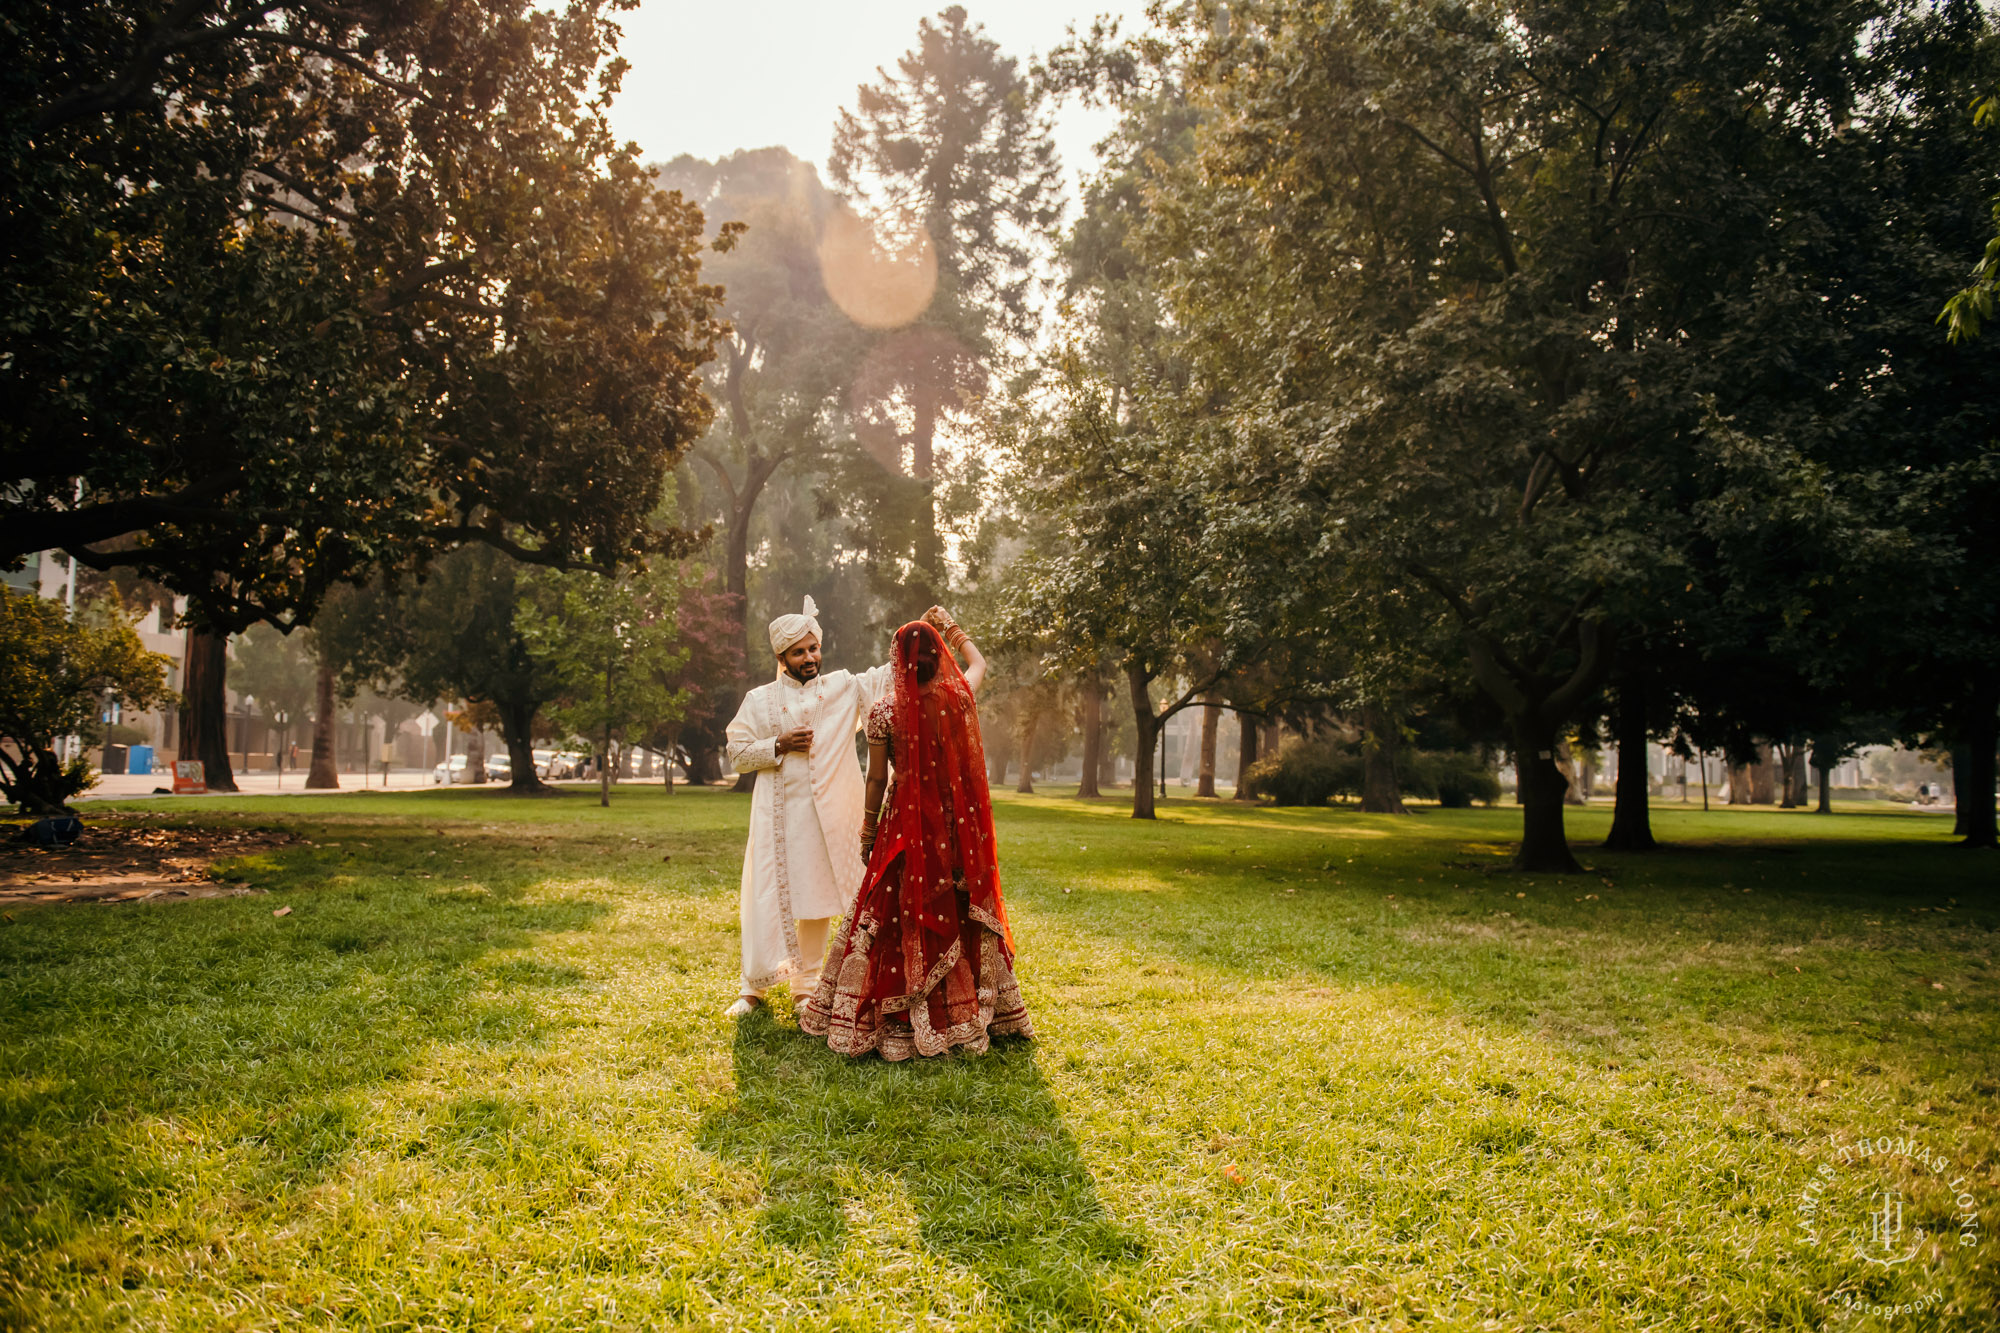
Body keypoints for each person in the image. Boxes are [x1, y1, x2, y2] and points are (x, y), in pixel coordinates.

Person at [801, 609, 1033, 1059]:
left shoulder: (885, 712)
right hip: (952, 827)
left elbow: (874, 780)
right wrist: (951, 627)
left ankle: (899, 1017)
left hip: (903, 825)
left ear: (898, 661)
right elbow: (980, 664)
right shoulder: (957, 697)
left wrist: (869, 831)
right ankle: (969, 1010)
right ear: (938, 657)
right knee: (956, 904)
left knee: (895, 907)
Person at [722, 596, 894, 1018]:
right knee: (766, 894)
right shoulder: (759, 700)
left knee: (815, 897)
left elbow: (886, 677)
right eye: (799, 652)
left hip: (823, 818)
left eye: (813, 648)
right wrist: (777, 745)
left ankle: (807, 986)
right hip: (775, 818)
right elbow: (737, 752)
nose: (810, 657)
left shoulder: (841, 689)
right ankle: (751, 990)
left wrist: (921, 635)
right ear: (782, 657)